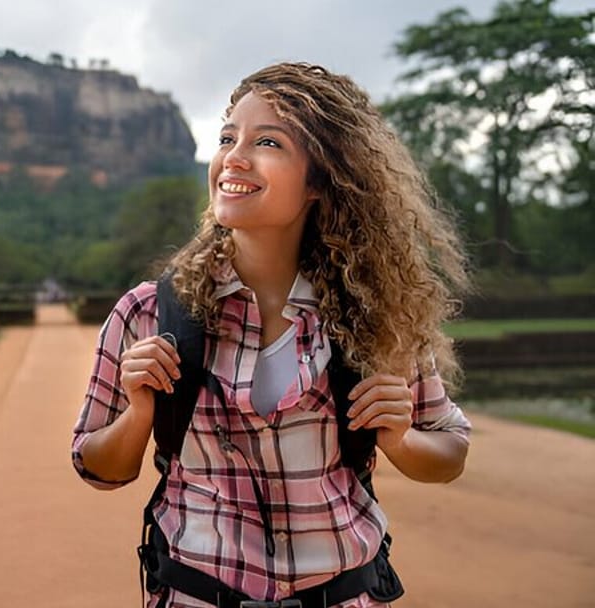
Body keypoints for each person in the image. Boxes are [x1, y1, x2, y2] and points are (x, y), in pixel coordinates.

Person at [71, 62, 472, 608]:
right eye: (227, 137)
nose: (233, 157)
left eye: (267, 142)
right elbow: (97, 468)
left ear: (320, 179)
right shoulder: (147, 312)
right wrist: (139, 414)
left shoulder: (376, 318)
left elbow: (450, 450)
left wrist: (400, 440)